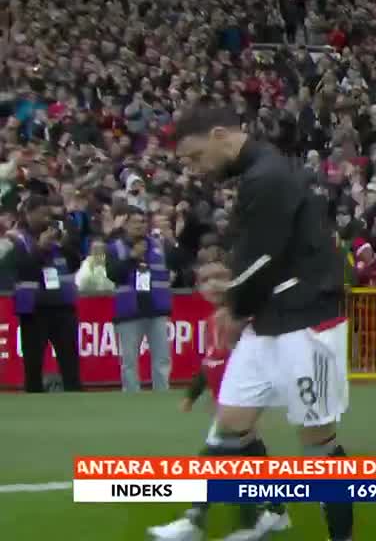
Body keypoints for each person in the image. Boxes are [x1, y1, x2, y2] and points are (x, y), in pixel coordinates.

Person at [149, 104, 353, 541]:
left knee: (318, 443)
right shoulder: (258, 175)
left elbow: (262, 259)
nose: (193, 168)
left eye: (194, 156)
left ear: (220, 134)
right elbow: (256, 256)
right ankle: (223, 516)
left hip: (306, 322)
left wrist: (234, 306)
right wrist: (240, 308)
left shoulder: (269, 176)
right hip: (267, 320)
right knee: (230, 424)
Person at [162, 263, 292, 541]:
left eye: (219, 278)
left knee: (213, 456)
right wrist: (192, 395)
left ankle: (201, 521)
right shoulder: (215, 319)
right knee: (250, 453)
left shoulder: (248, 316)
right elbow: (210, 361)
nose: (212, 284)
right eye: (205, 280)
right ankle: (275, 512)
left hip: (245, 399)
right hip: (231, 400)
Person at [11, 194, 82, 393]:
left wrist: (65, 244)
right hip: (34, 308)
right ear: (28, 214)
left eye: (48, 215)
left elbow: (75, 263)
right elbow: (22, 268)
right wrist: (40, 248)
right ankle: (34, 397)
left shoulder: (56, 236)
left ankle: (75, 395)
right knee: (33, 361)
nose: (45, 219)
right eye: (41, 215)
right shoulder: (18, 239)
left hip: (63, 306)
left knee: (69, 358)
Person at [107, 209, 174, 393]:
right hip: (129, 310)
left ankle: (162, 393)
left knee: (162, 358)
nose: (140, 225)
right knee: (129, 360)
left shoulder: (158, 245)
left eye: (143, 222)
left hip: (157, 308)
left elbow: (174, 265)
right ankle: (131, 394)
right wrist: (132, 257)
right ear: (126, 224)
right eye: (136, 222)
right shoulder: (115, 247)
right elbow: (113, 275)